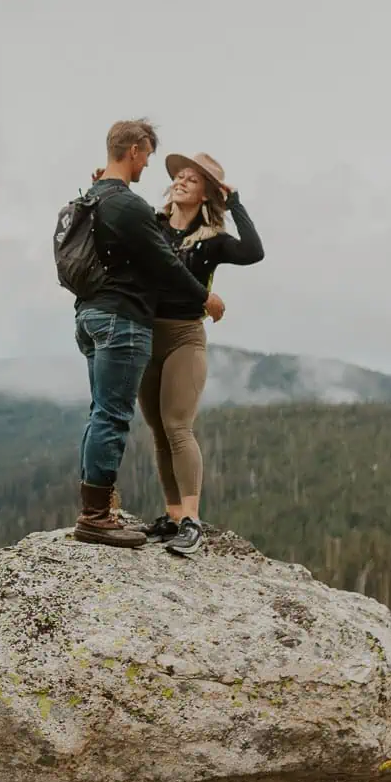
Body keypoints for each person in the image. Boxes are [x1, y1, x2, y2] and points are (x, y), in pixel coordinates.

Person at [73, 119, 212, 547]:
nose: (148, 165)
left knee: (101, 412)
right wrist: (205, 299)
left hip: (89, 315)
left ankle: (96, 509)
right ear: (133, 150)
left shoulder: (89, 199)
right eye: (148, 155)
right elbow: (165, 263)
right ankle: (97, 516)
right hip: (122, 320)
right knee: (113, 416)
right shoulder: (128, 205)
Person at [139, 151, 265, 557]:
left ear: (208, 194)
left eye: (192, 180)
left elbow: (254, 251)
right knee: (158, 432)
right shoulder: (151, 227)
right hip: (145, 335)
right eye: (179, 177)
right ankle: (173, 516)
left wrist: (236, 203)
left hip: (183, 338)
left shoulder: (213, 242)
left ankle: (191, 521)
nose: (181, 182)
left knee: (177, 426)